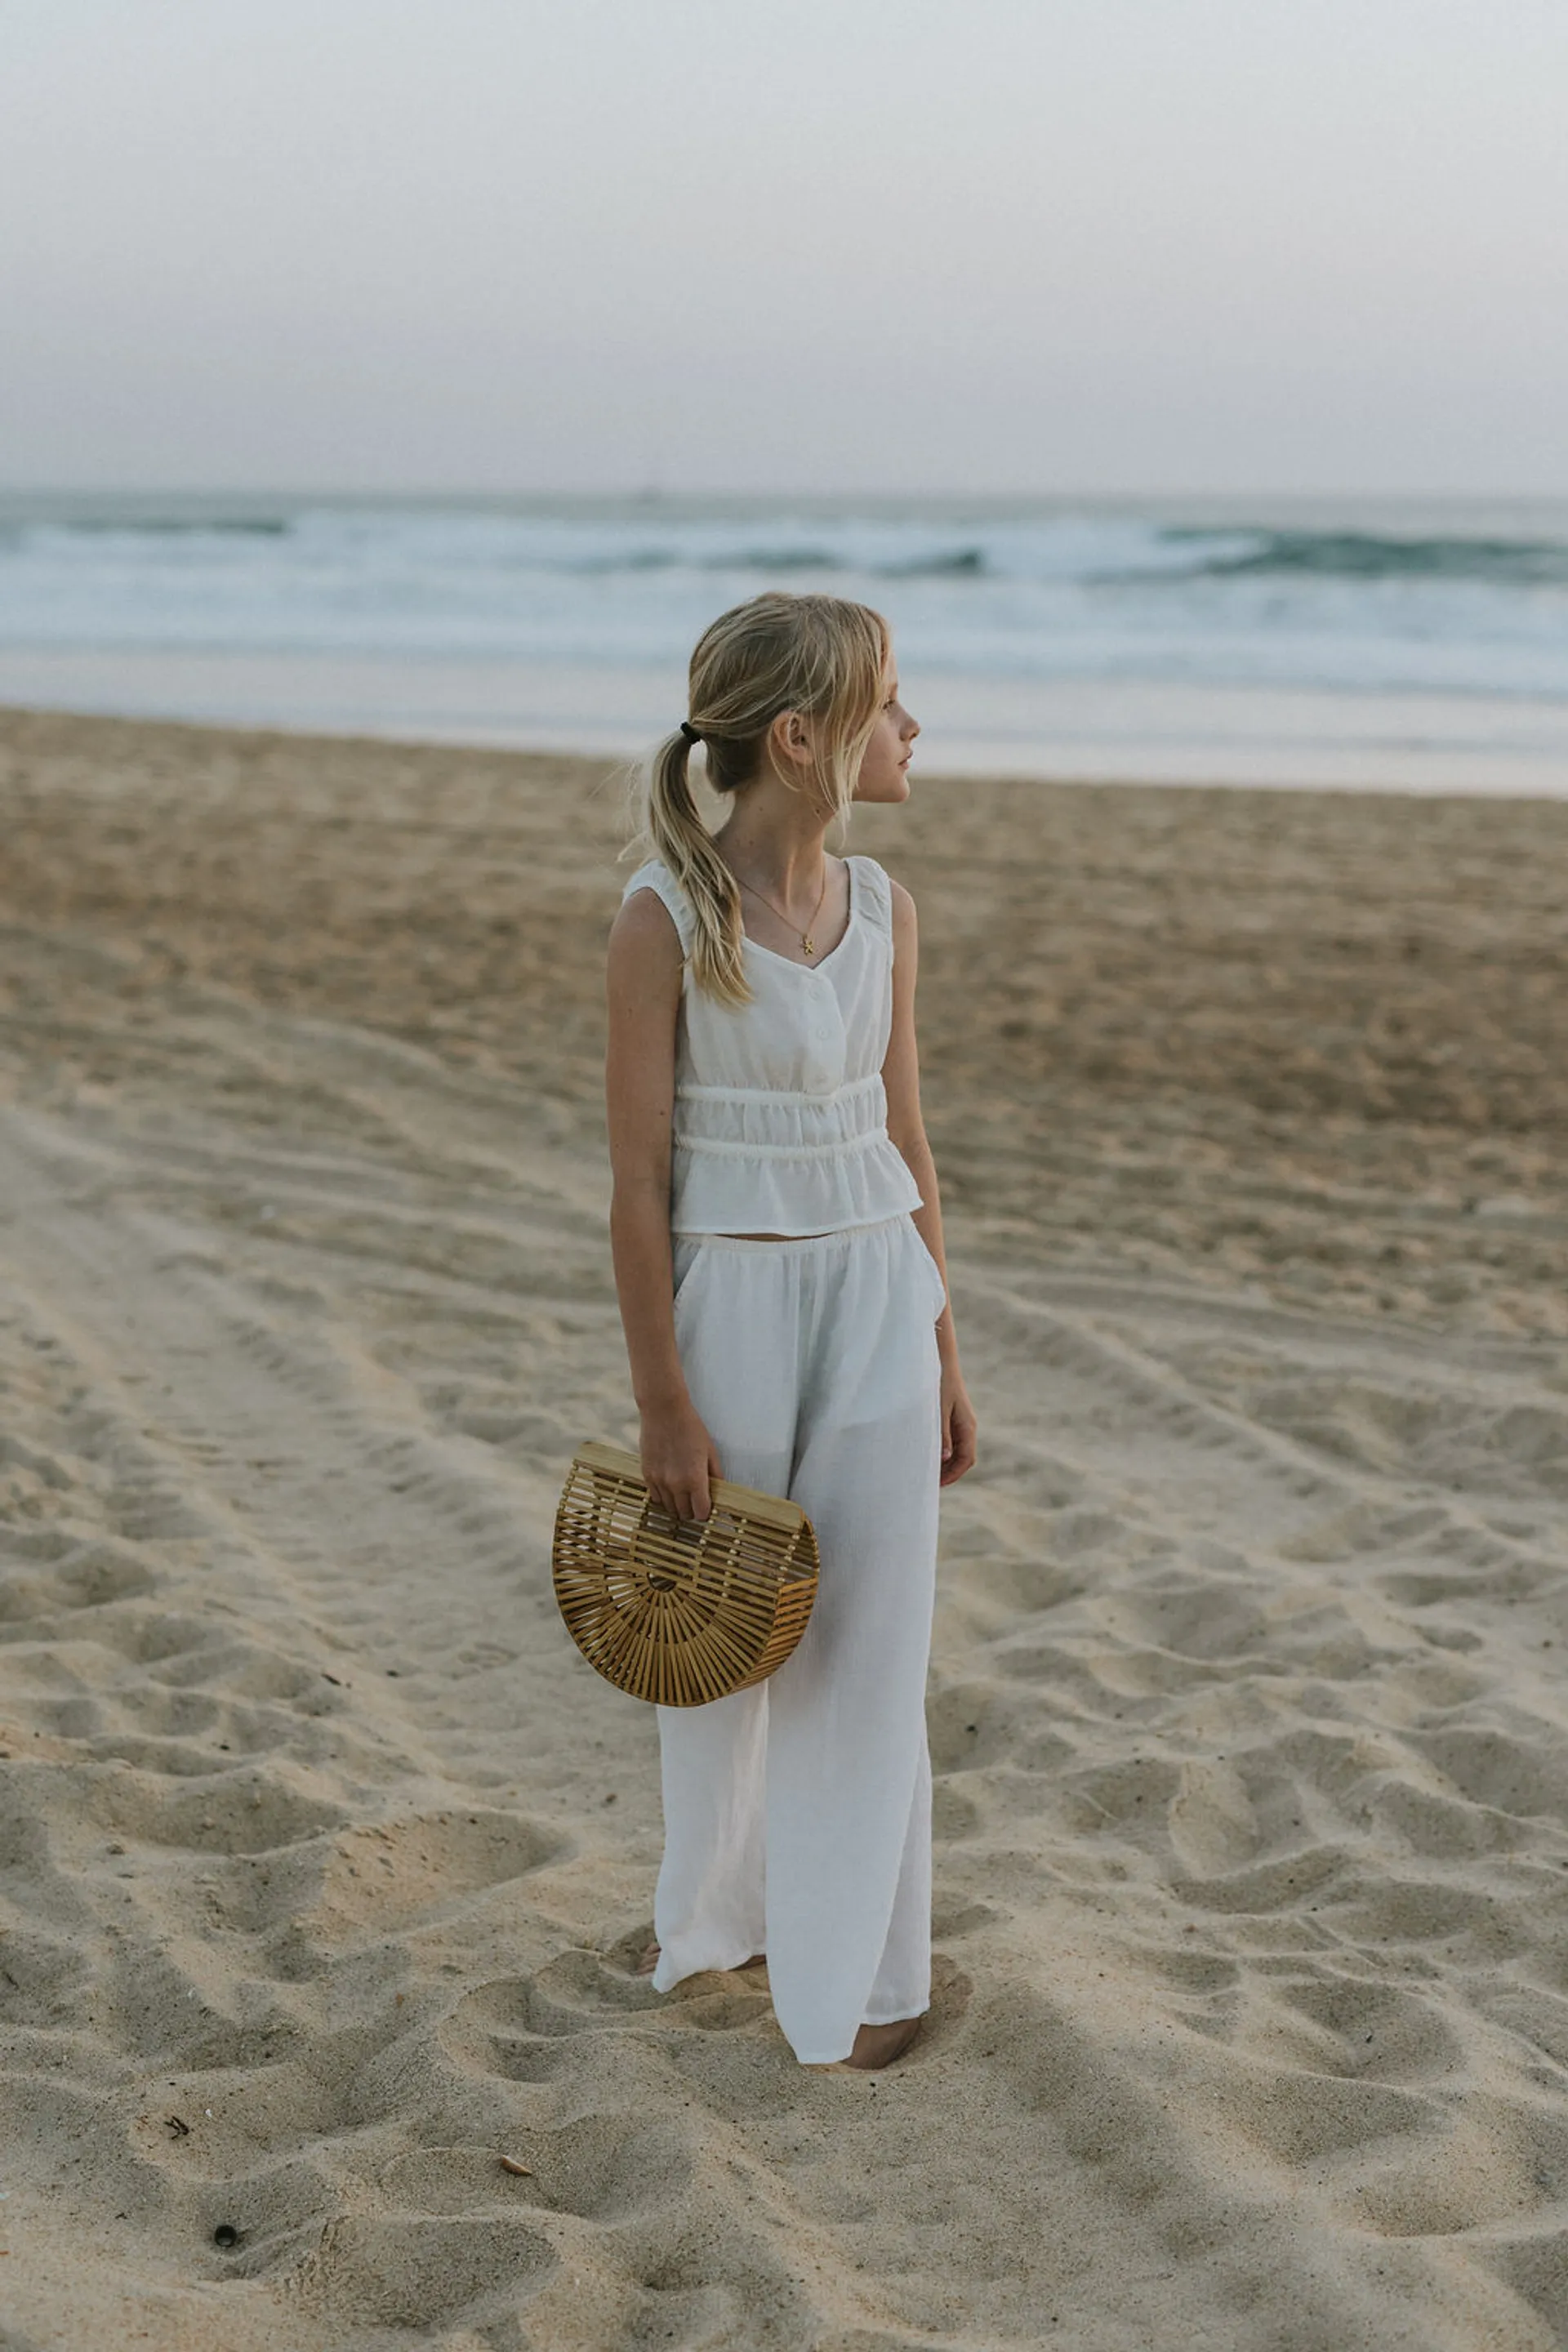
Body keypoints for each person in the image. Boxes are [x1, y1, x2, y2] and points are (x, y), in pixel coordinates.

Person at [604, 590, 977, 2069]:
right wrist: (663, 1408)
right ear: (801, 735)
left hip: (882, 1298)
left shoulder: (883, 908)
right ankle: (715, 1920)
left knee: (873, 1656)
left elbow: (909, 1138)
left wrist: (945, 1349)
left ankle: (862, 1991)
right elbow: (636, 1187)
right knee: (732, 1649)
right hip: (735, 1315)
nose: (915, 725)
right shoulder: (665, 918)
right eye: (891, 701)